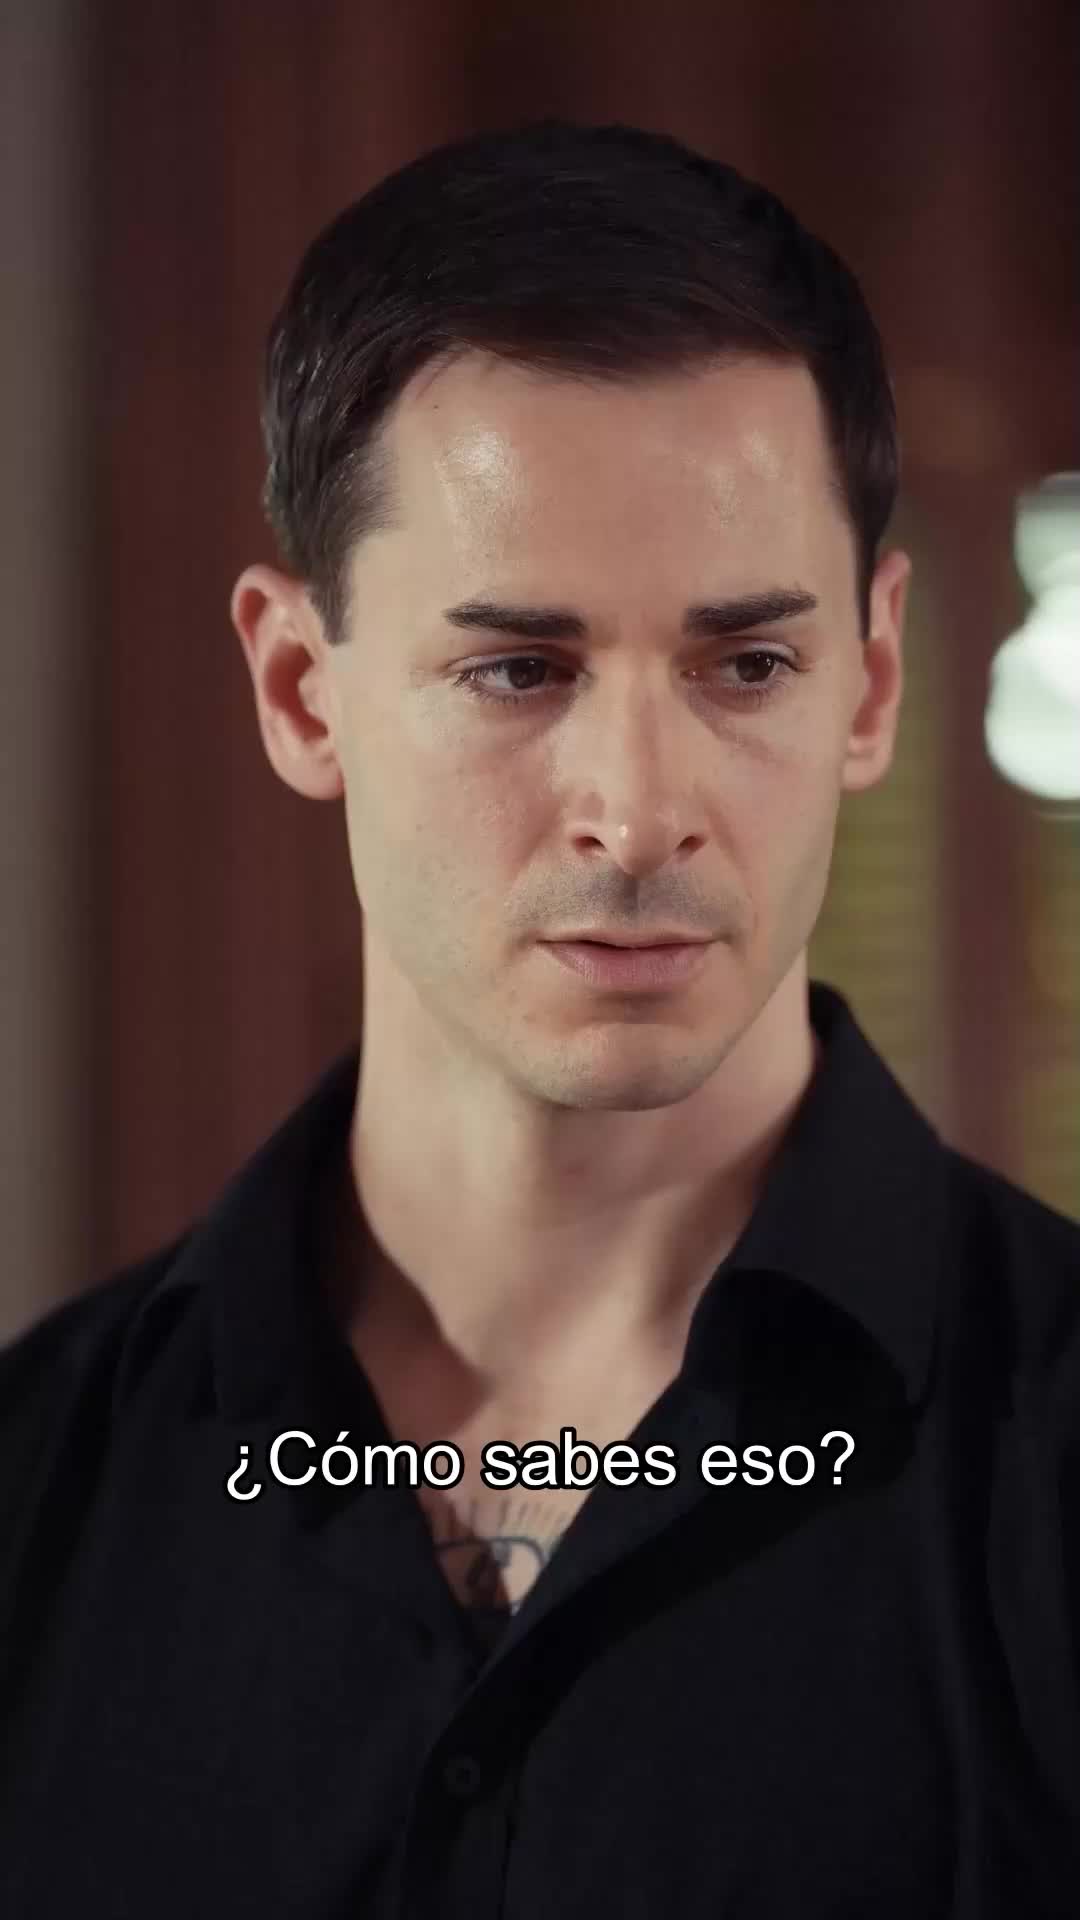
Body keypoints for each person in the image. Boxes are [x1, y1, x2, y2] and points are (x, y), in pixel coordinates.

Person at [2, 118, 1078, 1920]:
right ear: (301, 690)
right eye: (519, 667)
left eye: (749, 664)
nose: (638, 812)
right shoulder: (37, 1494)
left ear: (872, 681)